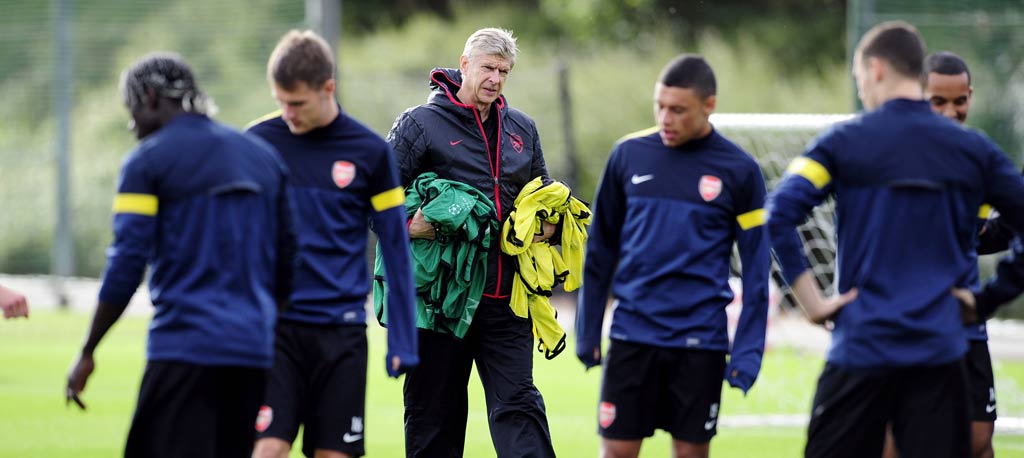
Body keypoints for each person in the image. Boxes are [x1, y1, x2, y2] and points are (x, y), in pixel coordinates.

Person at [766, 21, 1024, 458]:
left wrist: (813, 304)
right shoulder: (973, 151)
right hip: (940, 353)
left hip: (860, 348)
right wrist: (989, 298)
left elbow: (777, 215)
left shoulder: (843, 142)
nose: (861, 89)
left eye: (858, 78)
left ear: (876, 69)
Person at [65, 52, 295, 458]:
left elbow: (126, 264)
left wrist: (88, 350)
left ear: (151, 96)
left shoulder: (147, 161)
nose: (131, 121)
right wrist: (261, 327)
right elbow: (289, 260)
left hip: (184, 350)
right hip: (251, 354)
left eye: (132, 107)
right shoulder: (263, 158)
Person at [575, 54, 771, 458]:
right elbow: (600, 249)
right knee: (615, 451)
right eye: (659, 106)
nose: (666, 118)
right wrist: (588, 327)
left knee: (690, 453)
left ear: (709, 105)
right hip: (633, 332)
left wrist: (748, 350)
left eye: (678, 110)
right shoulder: (628, 155)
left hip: (700, 339)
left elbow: (756, 270)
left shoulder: (740, 170)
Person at [386, 27, 557, 457]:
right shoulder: (418, 124)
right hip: (442, 302)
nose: (495, 79)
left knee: (520, 406)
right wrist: (409, 225)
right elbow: (375, 201)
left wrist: (550, 225)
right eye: (487, 68)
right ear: (464, 64)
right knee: (434, 418)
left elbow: (543, 193)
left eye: (504, 71)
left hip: (506, 298)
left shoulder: (523, 128)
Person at [247, 30, 418, 458]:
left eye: (298, 103)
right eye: (280, 101)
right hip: (274, 331)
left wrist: (402, 336)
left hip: (340, 332)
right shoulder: (256, 143)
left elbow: (396, 246)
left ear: (328, 88)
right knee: (266, 449)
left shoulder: (370, 152)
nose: (288, 113)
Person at [883, 51, 995, 458]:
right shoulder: (892, 157)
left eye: (959, 101)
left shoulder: (980, 159)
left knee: (979, 440)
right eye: (938, 102)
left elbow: (978, 235)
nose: (950, 112)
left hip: (965, 321)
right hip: (908, 320)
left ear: (970, 96)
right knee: (897, 436)